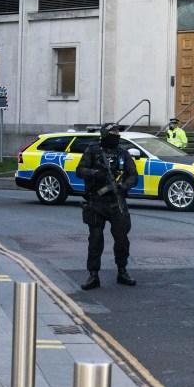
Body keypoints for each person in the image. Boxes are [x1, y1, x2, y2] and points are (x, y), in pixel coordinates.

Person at [77, 123, 139, 290]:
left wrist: (123, 186)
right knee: (95, 239)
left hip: (116, 201)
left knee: (121, 238)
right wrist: (95, 173)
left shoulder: (122, 153)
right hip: (97, 202)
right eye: (113, 132)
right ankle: (93, 275)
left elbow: (133, 176)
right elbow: (80, 170)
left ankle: (122, 271)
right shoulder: (93, 150)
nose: (116, 135)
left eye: (118, 132)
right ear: (105, 134)